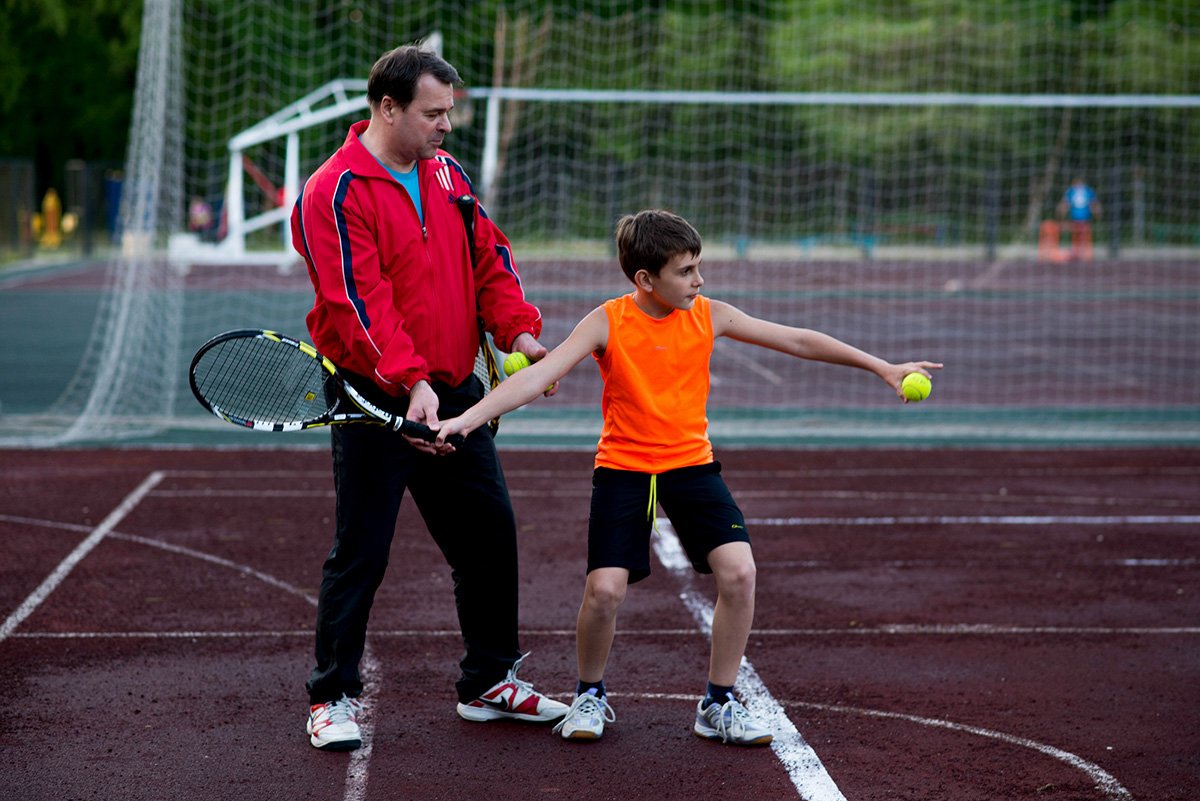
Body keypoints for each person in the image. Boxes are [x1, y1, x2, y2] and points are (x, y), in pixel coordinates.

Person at [433, 209, 943, 745]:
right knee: (605, 591)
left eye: (699, 268)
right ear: (645, 280)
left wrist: (881, 366)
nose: (699, 281)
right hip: (625, 468)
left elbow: (797, 340)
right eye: (686, 271)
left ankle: (718, 702)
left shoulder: (709, 314)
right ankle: (589, 694)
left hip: (691, 465)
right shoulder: (607, 320)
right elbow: (539, 375)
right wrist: (466, 420)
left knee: (740, 573)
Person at [290, 44, 567, 751]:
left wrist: (522, 333)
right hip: (374, 398)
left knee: (489, 535)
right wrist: (410, 381)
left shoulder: (446, 173)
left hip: (457, 393)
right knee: (363, 549)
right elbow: (357, 304)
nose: (447, 126)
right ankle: (330, 695)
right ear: (387, 108)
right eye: (433, 113)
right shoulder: (334, 191)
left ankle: (489, 680)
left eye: (450, 112)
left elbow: (490, 260)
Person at [1056, 176, 1102, 261]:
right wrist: (1061, 212)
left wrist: (1097, 212)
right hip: (1075, 218)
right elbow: (1065, 203)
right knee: (1077, 236)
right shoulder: (1072, 191)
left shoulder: (1087, 191)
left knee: (1082, 236)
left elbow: (1094, 203)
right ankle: (1077, 253)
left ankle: (1082, 254)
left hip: (1084, 218)